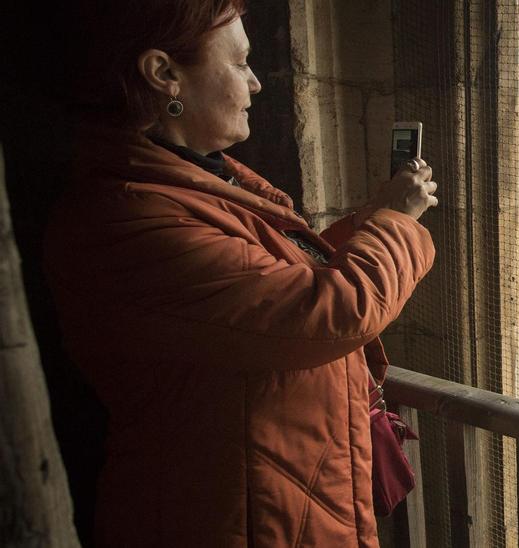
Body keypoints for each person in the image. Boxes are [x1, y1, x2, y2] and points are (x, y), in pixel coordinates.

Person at [44, 1, 437, 545]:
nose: (255, 84)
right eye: (239, 63)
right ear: (164, 74)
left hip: (272, 501)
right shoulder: (126, 217)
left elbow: (268, 284)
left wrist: (366, 224)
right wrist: (395, 222)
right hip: (237, 519)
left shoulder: (189, 185)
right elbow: (335, 310)